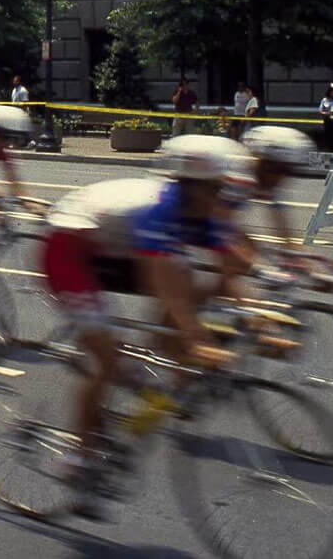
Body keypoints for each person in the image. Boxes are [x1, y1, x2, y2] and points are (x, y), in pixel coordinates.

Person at [38, 137, 243, 510]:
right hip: (66, 247)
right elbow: (159, 281)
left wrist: (265, 321)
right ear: (191, 186)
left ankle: (153, 361)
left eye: (221, 188)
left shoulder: (196, 208)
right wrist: (197, 338)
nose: (220, 195)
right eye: (215, 188)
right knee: (107, 362)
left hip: (107, 247)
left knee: (187, 281)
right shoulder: (159, 211)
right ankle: (77, 455)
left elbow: (233, 264)